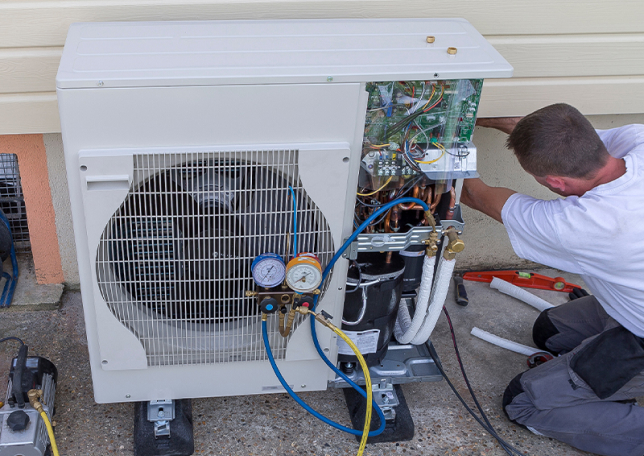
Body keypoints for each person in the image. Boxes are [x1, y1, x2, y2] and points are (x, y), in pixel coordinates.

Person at [461, 103, 644, 456]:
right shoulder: (637, 139)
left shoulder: (585, 223)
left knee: (525, 402)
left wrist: (448, 148)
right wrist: (463, 116)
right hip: (633, 308)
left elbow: (473, 194)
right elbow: (537, 130)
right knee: (550, 332)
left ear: (556, 183)